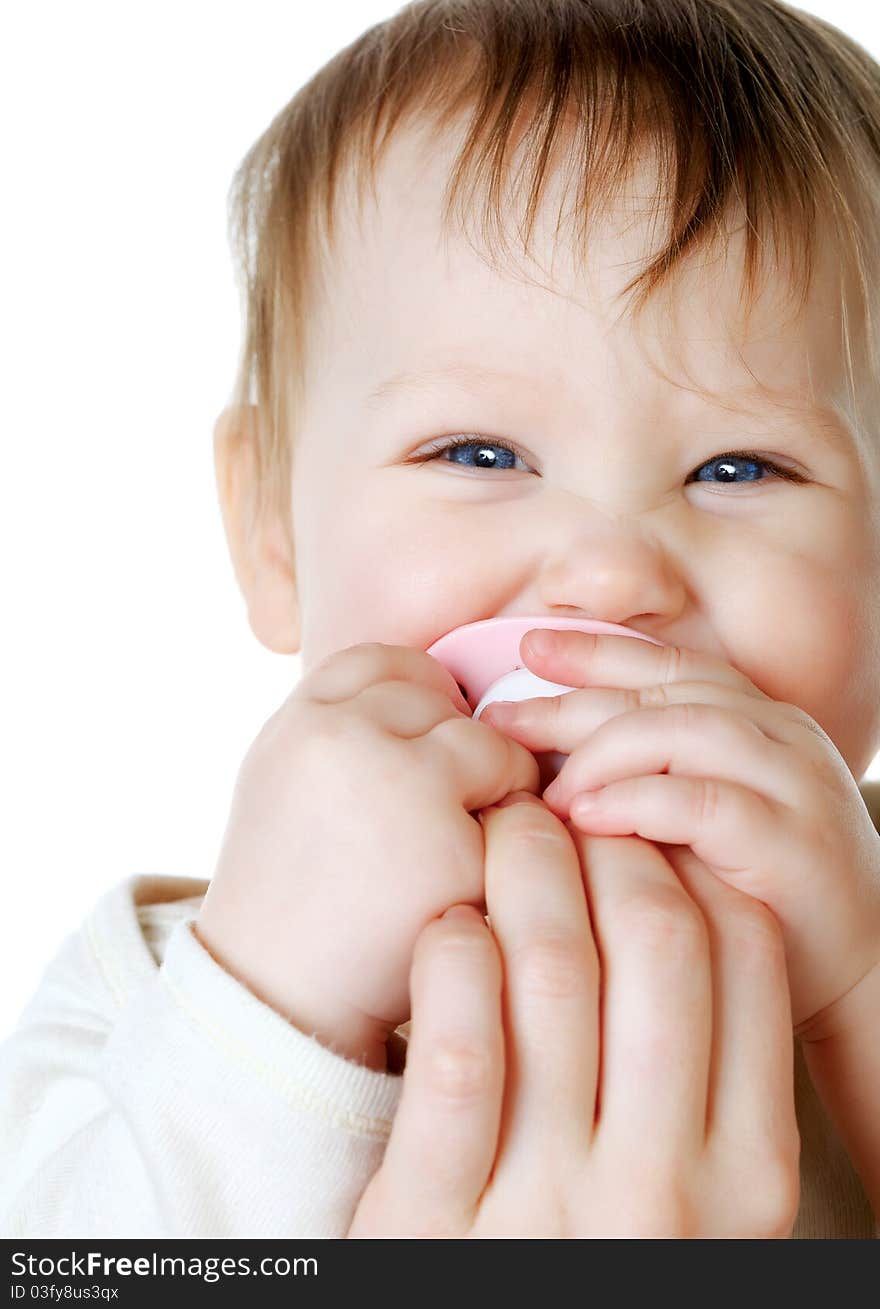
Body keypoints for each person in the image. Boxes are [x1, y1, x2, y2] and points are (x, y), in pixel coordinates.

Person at [3, 0, 880, 1239]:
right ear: (272, 532)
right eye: (478, 450)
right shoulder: (173, 994)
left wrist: (856, 994)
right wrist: (270, 1017)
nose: (607, 573)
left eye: (738, 468)